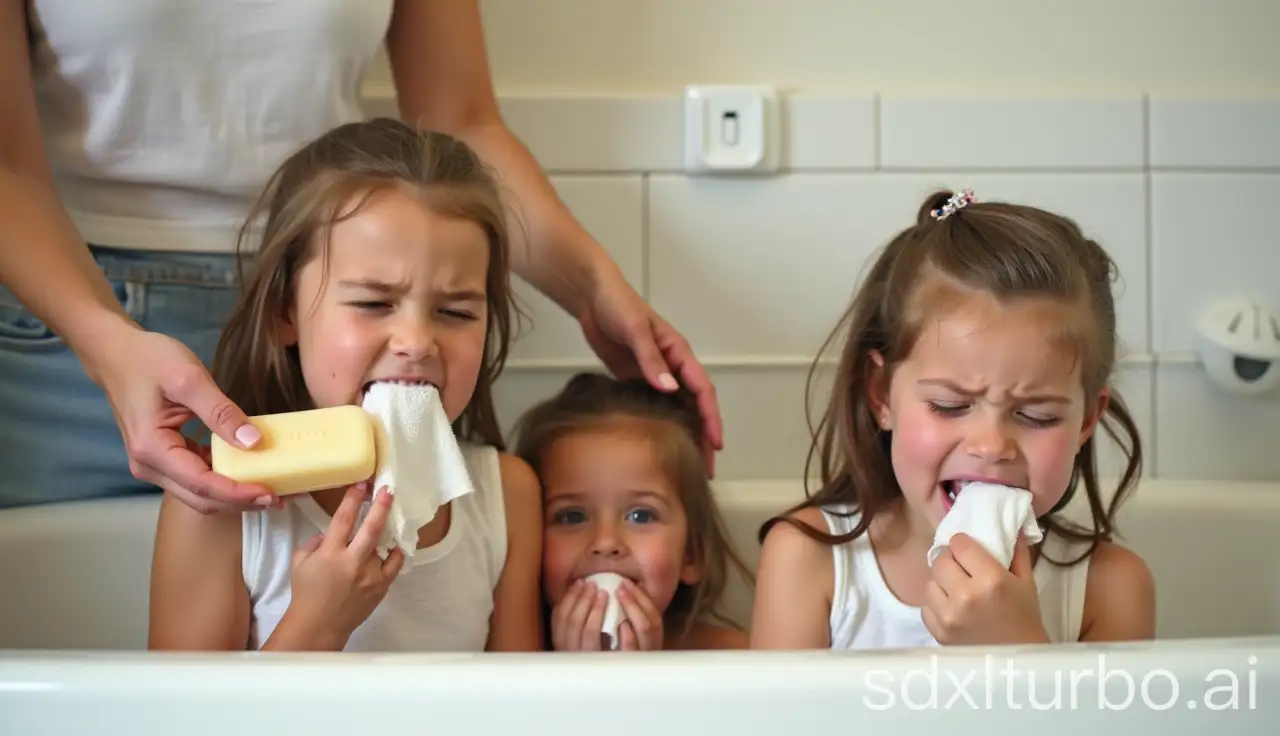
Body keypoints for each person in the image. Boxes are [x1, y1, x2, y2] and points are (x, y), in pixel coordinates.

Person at [0, 1, 721, 512]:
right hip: (72, 331)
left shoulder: (501, 493)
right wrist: (105, 344)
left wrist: (593, 287)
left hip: (332, 321)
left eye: (457, 311)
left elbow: (461, 121)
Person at [149, 118, 541, 652]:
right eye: (373, 304)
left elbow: (522, 710)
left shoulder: (506, 497)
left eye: (454, 311)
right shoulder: (218, 505)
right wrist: (317, 626)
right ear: (286, 312)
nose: (417, 341)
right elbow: (179, 726)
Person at [749, 189, 1156, 650]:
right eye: (950, 405)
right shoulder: (809, 561)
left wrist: (1018, 651)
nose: (991, 445)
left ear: (1086, 421)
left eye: (1036, 415)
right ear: (882, 395)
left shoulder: (1110, 590)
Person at [513, 372, 753, 651]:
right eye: (572, 516)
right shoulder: (514, 653)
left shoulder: (731, 660)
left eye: (641, 515)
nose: (605, 543)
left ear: (692, 552)